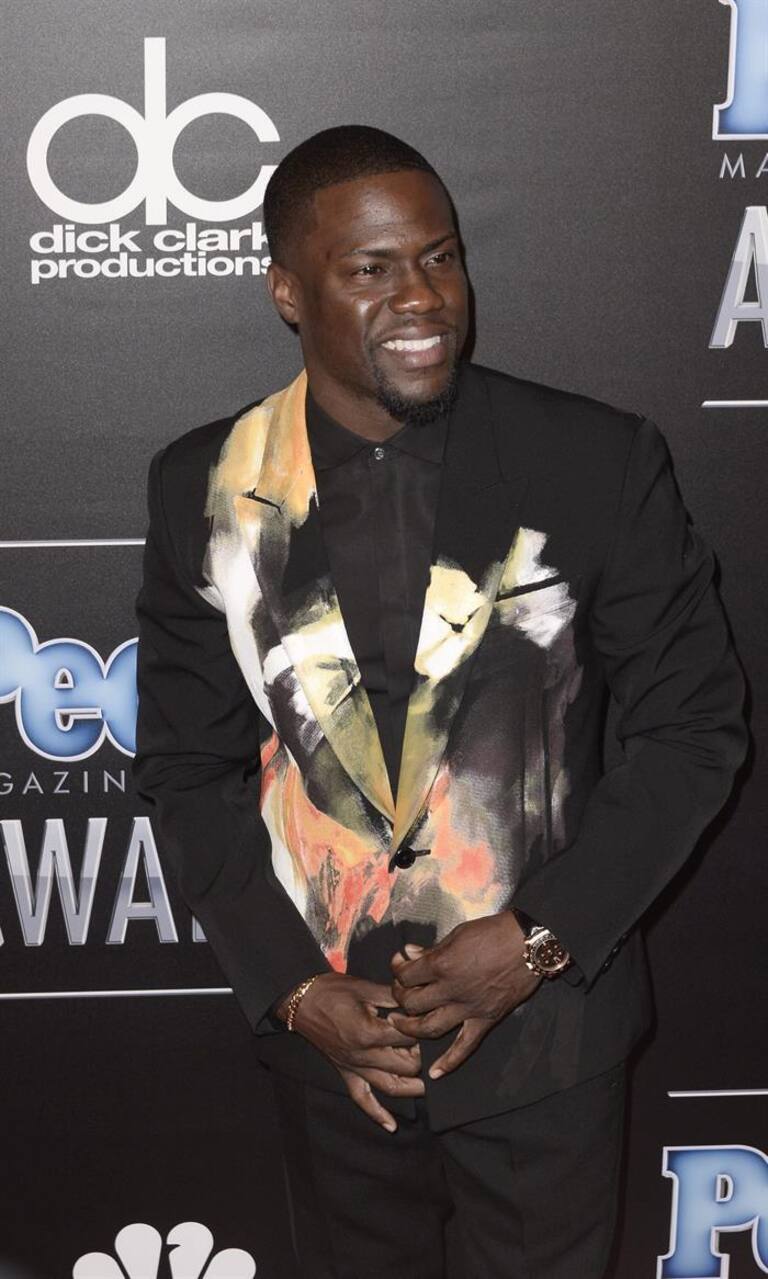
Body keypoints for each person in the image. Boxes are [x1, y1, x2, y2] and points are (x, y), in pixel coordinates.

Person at [133, 125, 746, 1279]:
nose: (421, 297)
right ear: (287, 291)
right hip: (334, 1055)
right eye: (370, 268)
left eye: (441, 258)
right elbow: (185, 765)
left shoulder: (594, 459)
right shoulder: (204, 486)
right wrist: (295, 989)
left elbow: (691, 728)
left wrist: (542, 938)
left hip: (548, 1043)